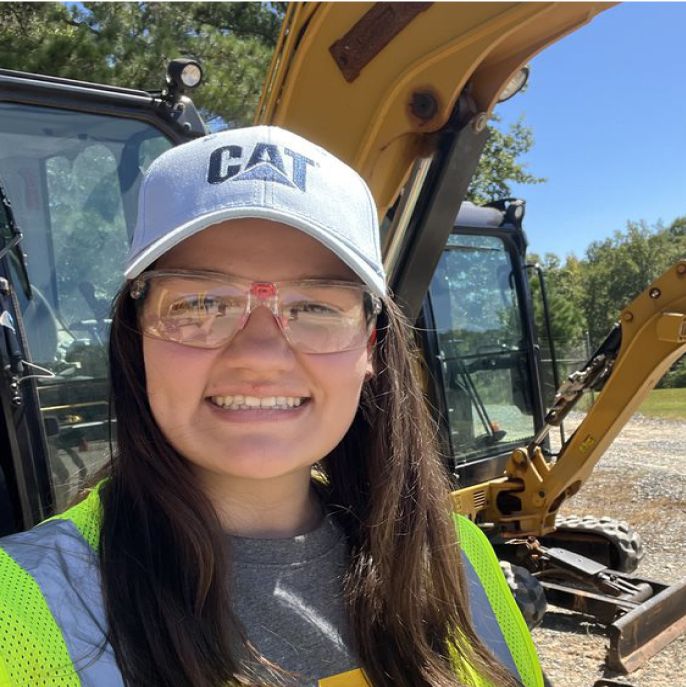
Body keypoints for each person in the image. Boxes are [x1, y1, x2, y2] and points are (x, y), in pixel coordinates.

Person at [0, 126, 543, 687]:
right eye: (201, 302)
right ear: (136, 340)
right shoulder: (18, 609)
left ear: (372, 347)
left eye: (315, 306)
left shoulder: (462, 562)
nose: (260, 356)